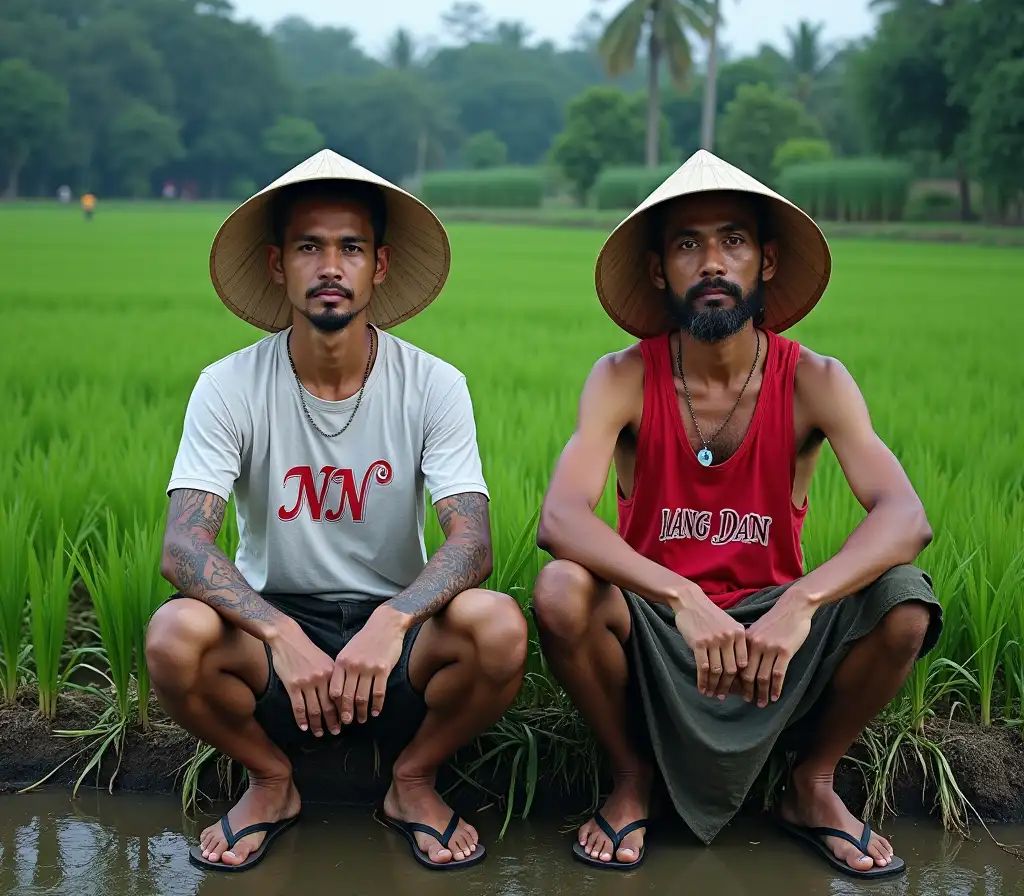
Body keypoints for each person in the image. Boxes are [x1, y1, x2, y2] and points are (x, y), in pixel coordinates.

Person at [533, 150, 941, 879]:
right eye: (688, 244)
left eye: (733, 240)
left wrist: (802, 601)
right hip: (658, 625)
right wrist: (681, 595)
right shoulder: (622, 376)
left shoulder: (815, 380)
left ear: (767, 260)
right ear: (660, 270)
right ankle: (633, 777)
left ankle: (812, 784)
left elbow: (905, 515)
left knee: (905, 601)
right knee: (562, 589)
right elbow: (561, 518)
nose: (712, 261)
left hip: (772, 627)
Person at [146, 149, 528, 873]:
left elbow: (472, 543)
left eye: (350, 247)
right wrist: (279, 632)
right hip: (273, 642)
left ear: (377, 266)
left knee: (500, 626)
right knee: (173, 635)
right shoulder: (228, 386)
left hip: (398, 642)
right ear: (277, 265)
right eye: (309, 247)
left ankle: (412, 780)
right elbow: (183, 546)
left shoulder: (434, 385)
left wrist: (392, 621)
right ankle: (271, 779)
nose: (330, 266)